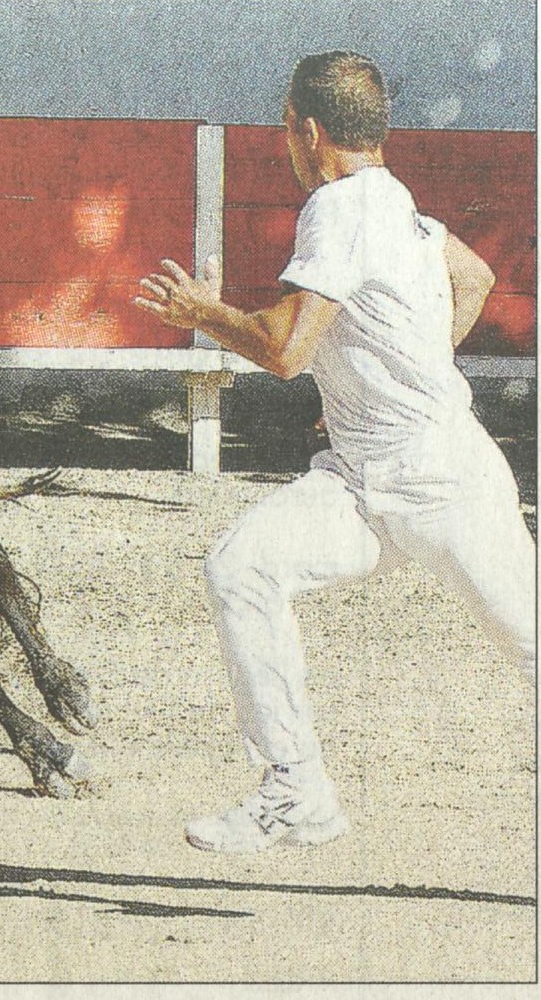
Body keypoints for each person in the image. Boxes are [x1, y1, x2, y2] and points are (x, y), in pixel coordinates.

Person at [133, 50, 537, 854]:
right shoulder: (399, 203)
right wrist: (396, 380)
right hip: (362, 478)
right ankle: (296, 792)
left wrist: (204, 311)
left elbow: (285, 352)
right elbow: (478, 278)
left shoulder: (338, 206)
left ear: (308, 131)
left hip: (442, 483)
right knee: (241, 567)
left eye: (286, 126)